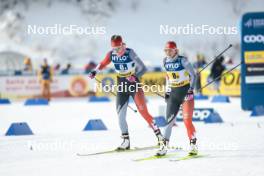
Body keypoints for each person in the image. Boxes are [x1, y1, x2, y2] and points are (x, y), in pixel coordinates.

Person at [88, 35, 164, 150]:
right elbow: (103, 63)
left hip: (134, 84)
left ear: (122, 45)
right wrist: (95, 71)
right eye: (114, 48)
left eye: (118, 48)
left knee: (143, 112)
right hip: (121, 85)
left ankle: (160, 137)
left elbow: (143, 68)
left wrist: (135, 76)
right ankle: (126, 141)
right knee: (120, 116)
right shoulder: (111, 54)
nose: (117, 51)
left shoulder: (130, 52)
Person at [156, 41, 198, 156]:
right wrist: (167, 91)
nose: (168, 52)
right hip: (173, 94)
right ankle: (164, 147)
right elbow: (168, 77)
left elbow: (194, 75)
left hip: (185, 93)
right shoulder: (165, 61)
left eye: (170, 50)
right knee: (169, 122)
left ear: (175, 50)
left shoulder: (183, 60)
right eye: (166, 50)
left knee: (187, 121)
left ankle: (193, 145)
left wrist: (191, 89)